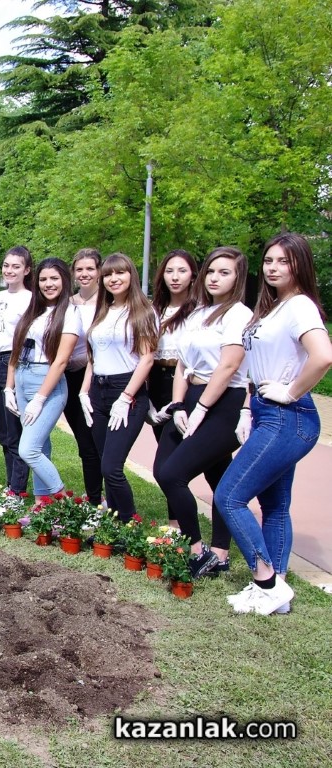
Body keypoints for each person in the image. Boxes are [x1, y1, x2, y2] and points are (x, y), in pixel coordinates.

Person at [215, 234, 332, 615]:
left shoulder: (299, 306)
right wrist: (249, 408)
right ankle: (276, 590)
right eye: (268, 260)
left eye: (283, 261)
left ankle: (265, 581)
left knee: (229, 496)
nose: (273, 267)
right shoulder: (273, 308)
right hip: (268, 411)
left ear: (300, 264)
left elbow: (323, 356)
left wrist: (291, 391)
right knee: (275, 505)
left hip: (287, 416)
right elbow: (258, 365)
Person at [153, 247, 247, 581]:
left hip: (223, 402)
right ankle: (214, 553)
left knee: (173, 474)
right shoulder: (198, 314)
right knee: (170, 470)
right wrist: (179, 405)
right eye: (211, 271)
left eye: (224, 272)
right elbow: (183, 364)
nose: (215, 278)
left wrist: (202, 409)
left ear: (238, 277)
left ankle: (201, 550)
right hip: (191, 397)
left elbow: (229, 366)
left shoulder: (239, 315)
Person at [79, 254, 157, 522]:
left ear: (131, 275)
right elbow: (93, 356)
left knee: (112, 467)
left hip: (125, 391)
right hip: (97, 390)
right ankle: (113, 523)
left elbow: (147, 359)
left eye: (120, 273)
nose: (114, 279)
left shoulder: (142, 311)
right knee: (104, 463)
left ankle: (128, 522)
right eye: (108, 274)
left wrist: (126, 397)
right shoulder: (103, 311)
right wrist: (84, 391)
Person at [4, 258, 80, 499]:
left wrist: (39, 398)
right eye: (44, 279)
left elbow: (61, 361)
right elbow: (16, 350)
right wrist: (9, 387)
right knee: (41, 446)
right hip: (23, 377)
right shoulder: (34, 311)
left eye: (54, 279)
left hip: (47, 382)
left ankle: (63, 501)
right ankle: (42, 503)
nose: (48, 284)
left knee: (29, 450)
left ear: (65, 280)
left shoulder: (70, 313)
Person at [0, 246, 33, 493]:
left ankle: (17, 489)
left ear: (27, 270)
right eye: (6, 265)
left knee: (14, 430)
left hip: (11, 362)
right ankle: (11, 484)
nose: (9, 270)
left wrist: (11, 380)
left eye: (16, 266)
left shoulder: (30, 299)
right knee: (3, 432)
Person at [65, 248, 105, 504]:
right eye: (79, 269)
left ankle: (98, 497)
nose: (84, 274)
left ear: (99, 271)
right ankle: (94, 494)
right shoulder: (68, 303)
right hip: (68, 377)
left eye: (90, 268)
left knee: (94, 440)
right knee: (83, 441)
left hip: (94, 378)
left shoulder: (107, 303)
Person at [148, 249, 198, 444]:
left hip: (187, 381)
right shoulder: (153, 310)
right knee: (163, 442)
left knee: (187, 446)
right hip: (157, 381)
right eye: (169, 271)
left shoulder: (200, 310)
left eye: (182, 271)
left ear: (193, 275)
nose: (175, 277)